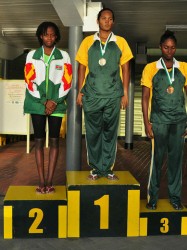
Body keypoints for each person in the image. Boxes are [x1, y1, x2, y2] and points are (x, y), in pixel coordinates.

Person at [76, 8, 133, 180]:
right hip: (92, 95)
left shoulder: (121, 42)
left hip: (113, 96)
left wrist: (125, 93)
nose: (106, 21)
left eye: (109, 19)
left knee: (109, 133)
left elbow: (126, 67)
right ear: (98, 21)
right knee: (93, 133)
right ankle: (95, 168)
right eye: (103, 18)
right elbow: (81, 67)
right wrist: (80, 91)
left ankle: (107, 168)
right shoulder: (87, 42)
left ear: (113, 22)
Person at [24, 21, 72, 194]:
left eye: (52, 34)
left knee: (54, 141)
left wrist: (55, 101)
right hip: (37, 104)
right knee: (38, 141)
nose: (49, 37)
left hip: (57, 105)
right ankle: (41, 181)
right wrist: (45, 101)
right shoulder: (31, 55)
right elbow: (30, 80)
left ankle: (50, 182)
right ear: (40, 36)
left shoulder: (64, 56)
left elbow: (67, 80)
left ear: (56, 36)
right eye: (46, 34)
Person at [141, 30, 187, 210]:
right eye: (166, 47)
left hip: (179, 123)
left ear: (176, 49)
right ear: (160, 47)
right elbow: (145, 98)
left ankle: (175, 198)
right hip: (158, 122)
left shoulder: (184, 67)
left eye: (173, 48)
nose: (169, 51)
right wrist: (147, 123)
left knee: (176, 162)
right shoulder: (150, 68)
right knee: (156, 162)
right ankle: (152, 198)